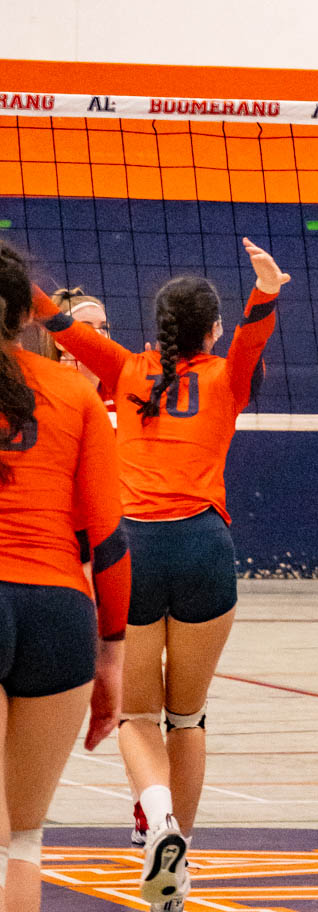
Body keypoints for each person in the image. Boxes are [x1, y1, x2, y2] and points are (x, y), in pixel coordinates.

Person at [33, 238, 288, 912]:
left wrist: (13, 277)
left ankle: (160, 825)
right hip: (205, 546)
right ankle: (183, 863)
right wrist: (267, 288)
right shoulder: (229, 374)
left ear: (158, 327)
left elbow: (56, 324)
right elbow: (256, 338)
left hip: (135, 549)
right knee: (189, 716)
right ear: (211, 330)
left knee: (138, 716)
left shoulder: (123, 370)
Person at [0, 241, 130, 910]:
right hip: (59, 612)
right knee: (22, 839)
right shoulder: (78, 391)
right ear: (27, 313)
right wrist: (112, 655)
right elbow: (107, 540)